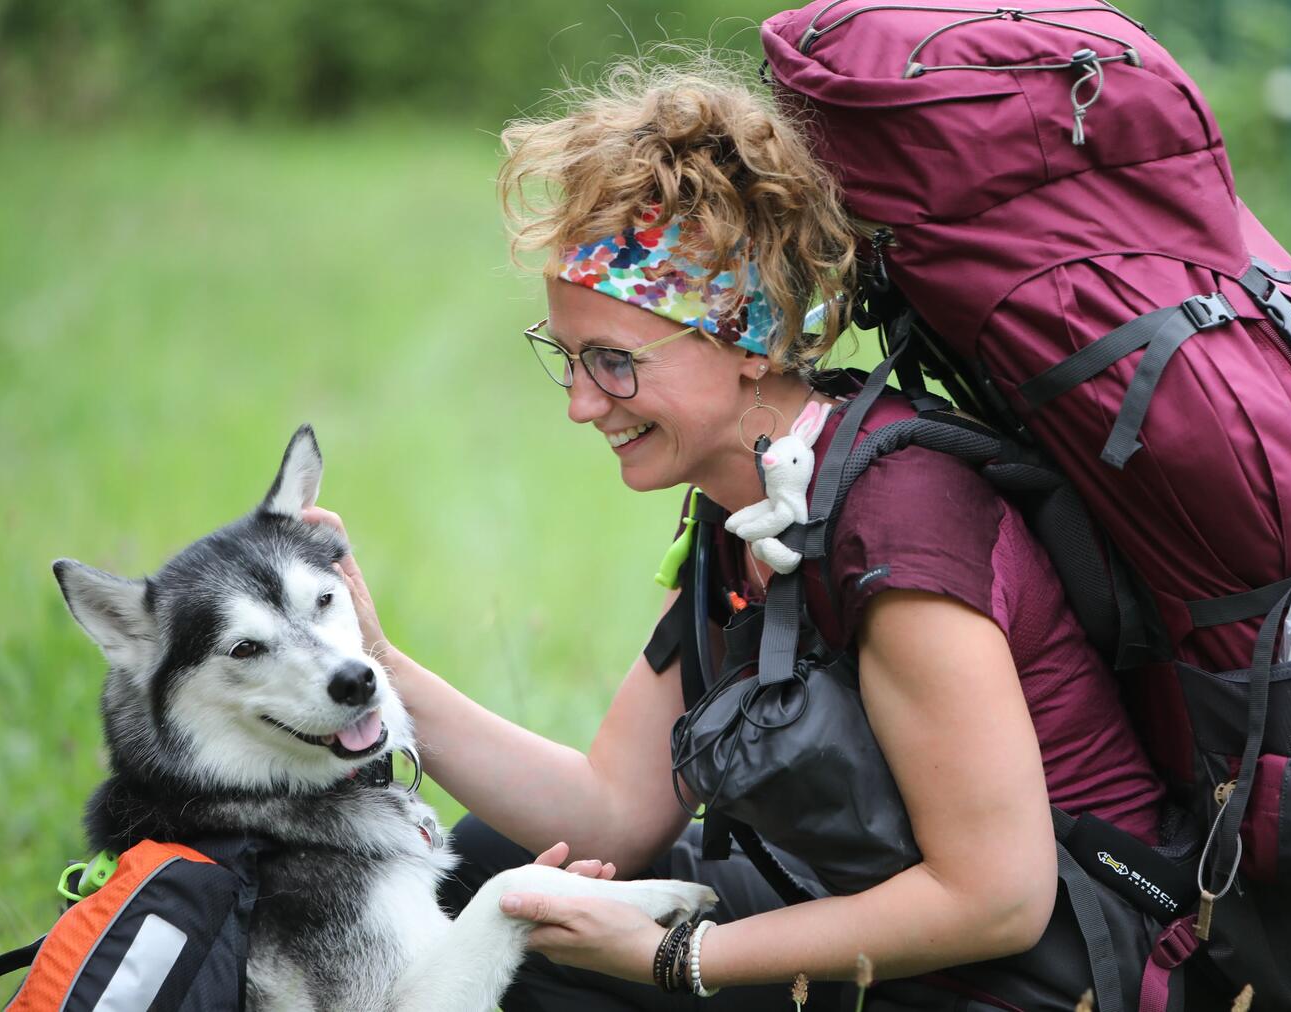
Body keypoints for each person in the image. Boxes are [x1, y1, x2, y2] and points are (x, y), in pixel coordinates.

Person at [307, 59, 1165, 1010]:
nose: (583, 404)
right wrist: (377, 661)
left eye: (614, 363)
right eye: (568, 359)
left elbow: (997, 898)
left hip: (1045, 972)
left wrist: (674, 956)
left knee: (531, 958)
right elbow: (616, 814)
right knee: (487, 872)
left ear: (747, 339)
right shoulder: (746, 501)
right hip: (878, 906)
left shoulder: (899, 522)